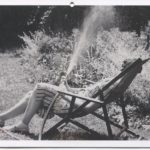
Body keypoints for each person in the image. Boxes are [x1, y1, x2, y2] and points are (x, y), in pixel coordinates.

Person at [0, 59, 142, 134]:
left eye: (125, 64)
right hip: (73, 99)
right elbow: (85, 92)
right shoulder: (115, 83)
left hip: (70, 106)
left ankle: (23, 125)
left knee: (40, 88)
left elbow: (88, 105)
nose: (122, 65)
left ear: (127, 70)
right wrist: (67, 86)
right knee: (33, 94)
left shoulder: (112, 86)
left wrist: (63, 92)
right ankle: (2, 118)